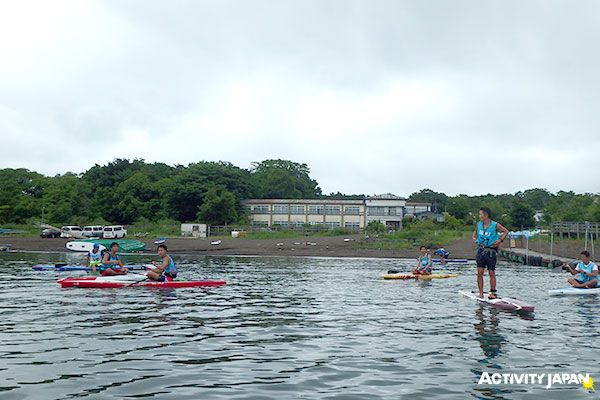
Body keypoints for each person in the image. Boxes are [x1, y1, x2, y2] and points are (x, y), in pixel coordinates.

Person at [472, 207, 508, 299]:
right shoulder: (478, 224)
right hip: (481, 250)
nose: (479, 216)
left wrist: (500, 240)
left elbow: (505, 231)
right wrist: (475, 240)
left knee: (491, 272)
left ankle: (492, 292)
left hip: (491, 251)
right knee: (479, 272)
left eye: (481, 214)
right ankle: (481, 292)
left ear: (486, 215)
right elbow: (474, 235)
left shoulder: (494, 225)